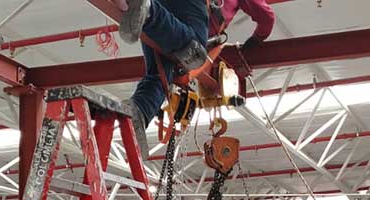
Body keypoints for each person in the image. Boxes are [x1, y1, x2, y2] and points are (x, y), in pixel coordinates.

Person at [116, 0, 275, 152]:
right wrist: (258, 38)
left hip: (166, 18)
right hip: (186, 10)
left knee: (159, 75)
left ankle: (138, 112)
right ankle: (150, 12)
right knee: (195, 52)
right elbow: (266, 17)